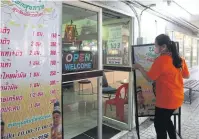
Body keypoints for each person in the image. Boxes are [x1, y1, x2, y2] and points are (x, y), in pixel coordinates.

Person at [133, 34, 190, 139]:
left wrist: (139, 67)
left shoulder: (161, 61)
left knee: (159, 125)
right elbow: (186, 75)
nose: (155, 47)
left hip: (165, 101)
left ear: (163, 47)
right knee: (166, 120)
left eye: (155, 45)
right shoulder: (179, 59)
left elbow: (150, 78)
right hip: (177, 98)